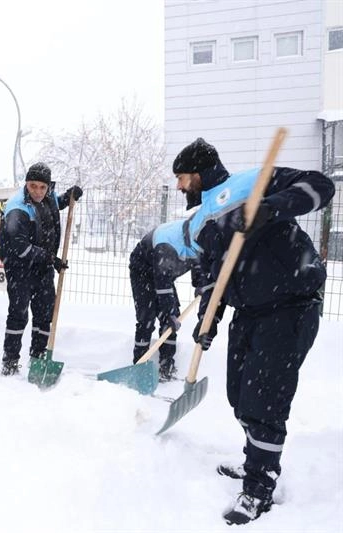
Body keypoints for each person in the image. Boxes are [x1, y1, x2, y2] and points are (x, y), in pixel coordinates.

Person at [173, 137, 335, 525]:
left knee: (264, 400)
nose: (178, 186)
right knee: (239, 396)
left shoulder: (252, 182)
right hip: (248, 311)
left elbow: (320, 186)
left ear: (198, 173)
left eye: (181, 177)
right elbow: (210, 275)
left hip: (291, 303)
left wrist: (269, 207)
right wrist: (208, 320)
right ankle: (256, 460)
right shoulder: (200, 219)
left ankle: (259, 486)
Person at [0, 162, 82, 376]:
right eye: (33, 186)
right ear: (26, 183)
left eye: (43, 187)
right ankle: (10, 361)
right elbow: (20, 247)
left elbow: (53, 204)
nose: (38, 191)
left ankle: (38, 356)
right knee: (19, 313)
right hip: (19, 267)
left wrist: (68, 197)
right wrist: (51, 258)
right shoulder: (17, 208)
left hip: (42, 265)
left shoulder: (48, 195)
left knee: (44, 312)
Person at [128, 218, 203, 381]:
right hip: (143, 270)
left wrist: (201, 283)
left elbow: (199, 264)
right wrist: (169, 313)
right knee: (147, 318)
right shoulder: (168, 244)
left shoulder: (201, 239)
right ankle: (139, 367)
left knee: (171, 319)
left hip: (164, 274)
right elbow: (162, 284)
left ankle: (166, 367)